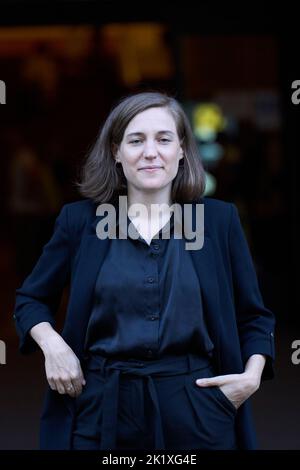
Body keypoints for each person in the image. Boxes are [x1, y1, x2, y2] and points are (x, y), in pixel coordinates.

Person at [13, 91, 275, 450]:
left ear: (182, 150)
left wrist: (252, 376)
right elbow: (30, 300)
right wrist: (52, 345)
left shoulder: (218, 220)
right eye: (136, 140)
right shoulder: (79, 222)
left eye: (163, 139)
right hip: (101, 407)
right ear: (116, 152)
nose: (150, 152)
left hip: (198, 407)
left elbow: (254, 316)